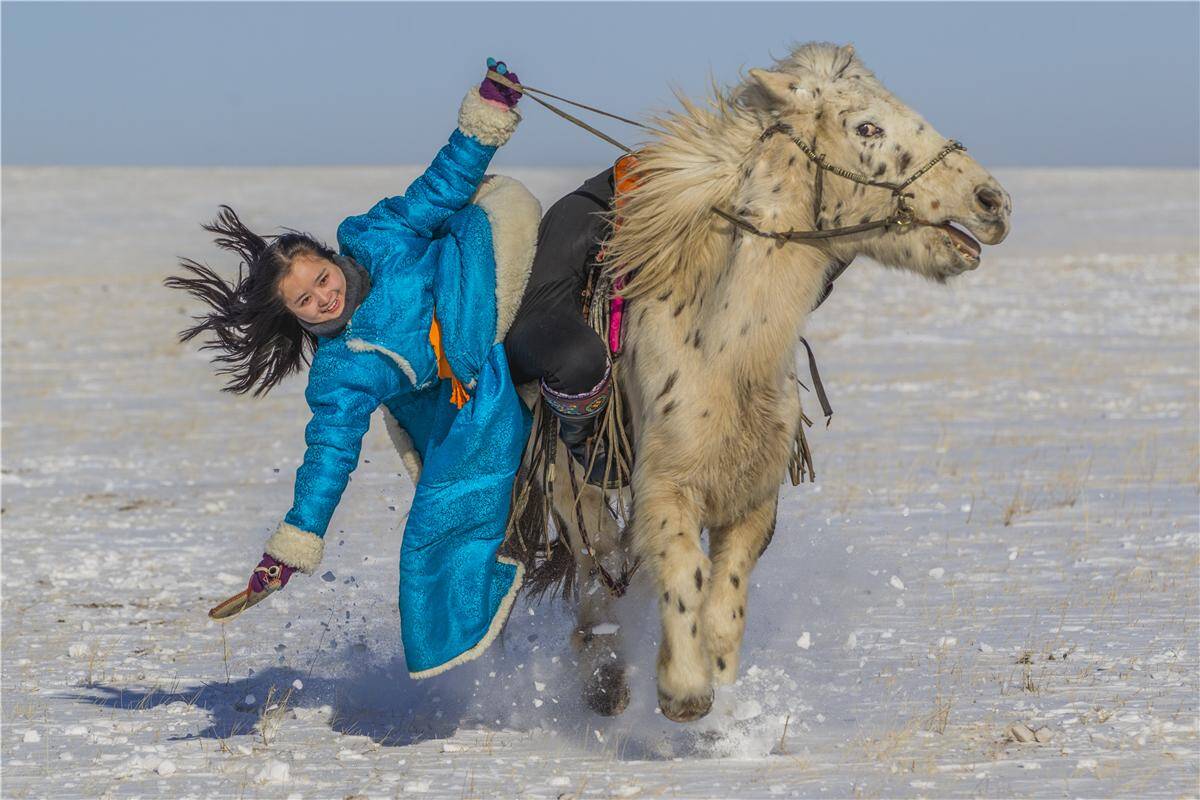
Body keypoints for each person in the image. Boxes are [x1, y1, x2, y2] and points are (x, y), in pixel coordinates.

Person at [168, 60, 543, 679]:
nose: (324, 298)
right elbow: (328, 457)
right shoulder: (340, 372)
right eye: (305, 302)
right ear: (293, 317)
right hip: (464, 393)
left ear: (329, 256)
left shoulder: (377, 235)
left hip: (487, 268)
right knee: (431, 536)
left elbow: (440, 186)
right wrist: (292, 544)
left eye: (321, 278)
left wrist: (488, 113)